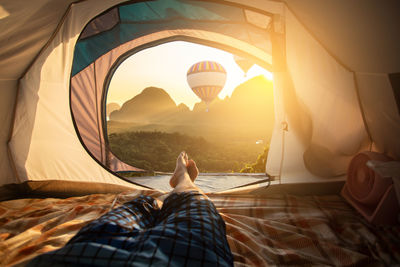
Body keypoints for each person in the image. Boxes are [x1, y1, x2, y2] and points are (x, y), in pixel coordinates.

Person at [28, 152, 234, 266]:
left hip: (89, 251)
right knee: (193, 201)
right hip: (190, 257)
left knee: (143, 204)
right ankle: (183, 181)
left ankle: (174, 188)